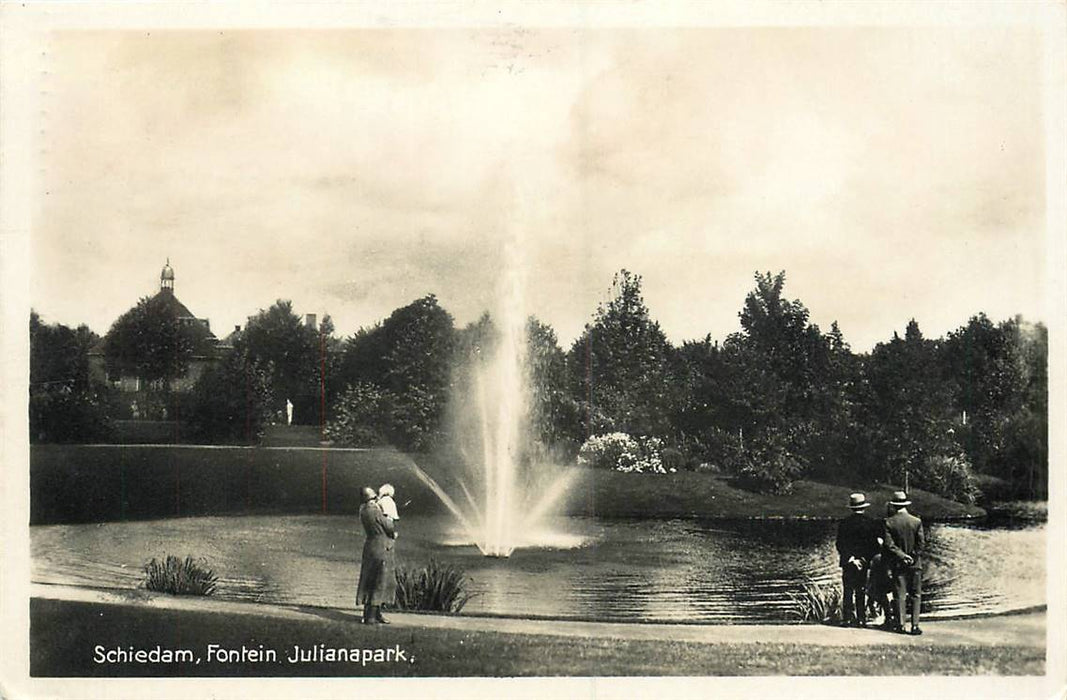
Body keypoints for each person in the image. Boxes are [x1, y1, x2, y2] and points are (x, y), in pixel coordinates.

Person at [882, 490, 925, 635]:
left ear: (894, 505)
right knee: (916, 595)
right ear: (906, 504)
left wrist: (902, 556)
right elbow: (921, 544)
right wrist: (911, 556)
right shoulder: (916, 521)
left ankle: (900, 625)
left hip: (898, 564)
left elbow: (889, 545)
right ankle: (915, 626)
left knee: (900, 594)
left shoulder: (889, 522)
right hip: (915, 564)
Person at [835, 492, 880, 627]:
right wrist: (864, 559)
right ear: (864, 507)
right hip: (863, 562)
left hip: (849, 562)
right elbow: (874, 545)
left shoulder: (844, 523)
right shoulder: (871, 523)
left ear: (851, 507)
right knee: (861, 590)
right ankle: (861, 618)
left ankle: (847, 618)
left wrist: (851, 558)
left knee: (848, 590)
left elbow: (840, 544)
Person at [356, 486, 396, 625]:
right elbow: (389, 527)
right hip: (381, 546)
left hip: (370, 545)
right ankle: (372, 617)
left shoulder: (362, 510)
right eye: (374, 497)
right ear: (371, 498)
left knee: (370, 579)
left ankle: (372, 614)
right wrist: (391, 524)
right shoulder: (374, 510)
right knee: (380, 580)